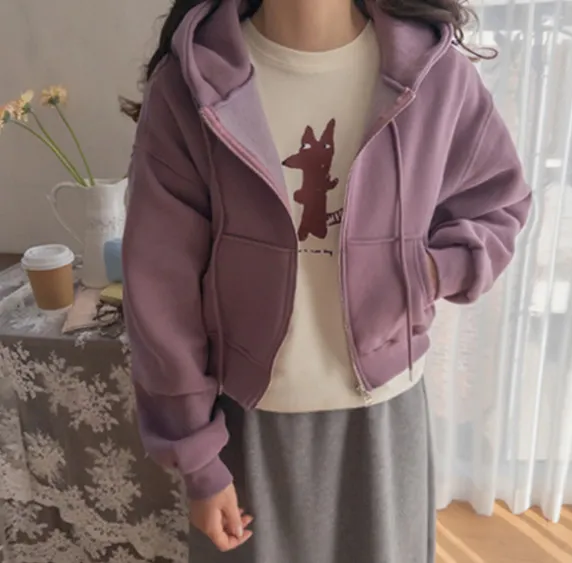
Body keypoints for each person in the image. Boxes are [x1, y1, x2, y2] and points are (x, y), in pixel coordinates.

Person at [121, 0, 531, 560]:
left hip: (384, 416)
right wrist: (196, 457)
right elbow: (161, 290)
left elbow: (496, 204)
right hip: (249, 424)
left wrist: (427, 272)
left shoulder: (434, 74)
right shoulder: (190, 85)